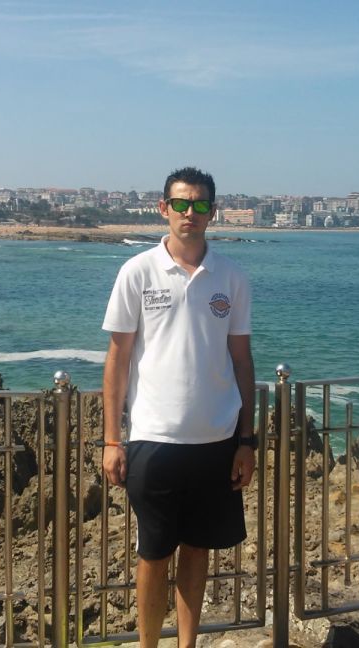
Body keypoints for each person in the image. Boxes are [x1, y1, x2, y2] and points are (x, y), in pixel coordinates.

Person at [102, 166, 257, 648]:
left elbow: (242, 360)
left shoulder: (231, 277)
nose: (191, 212)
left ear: (213, 211)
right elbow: (118, 359)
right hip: (154, 439)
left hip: (217, 439)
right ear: (163, 208)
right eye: (182, 203)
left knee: (198, 550)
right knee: (152, 555)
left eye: (201, 204)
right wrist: (112, 440)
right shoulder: (137, 271)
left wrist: (247, 440)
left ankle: (186, 645)